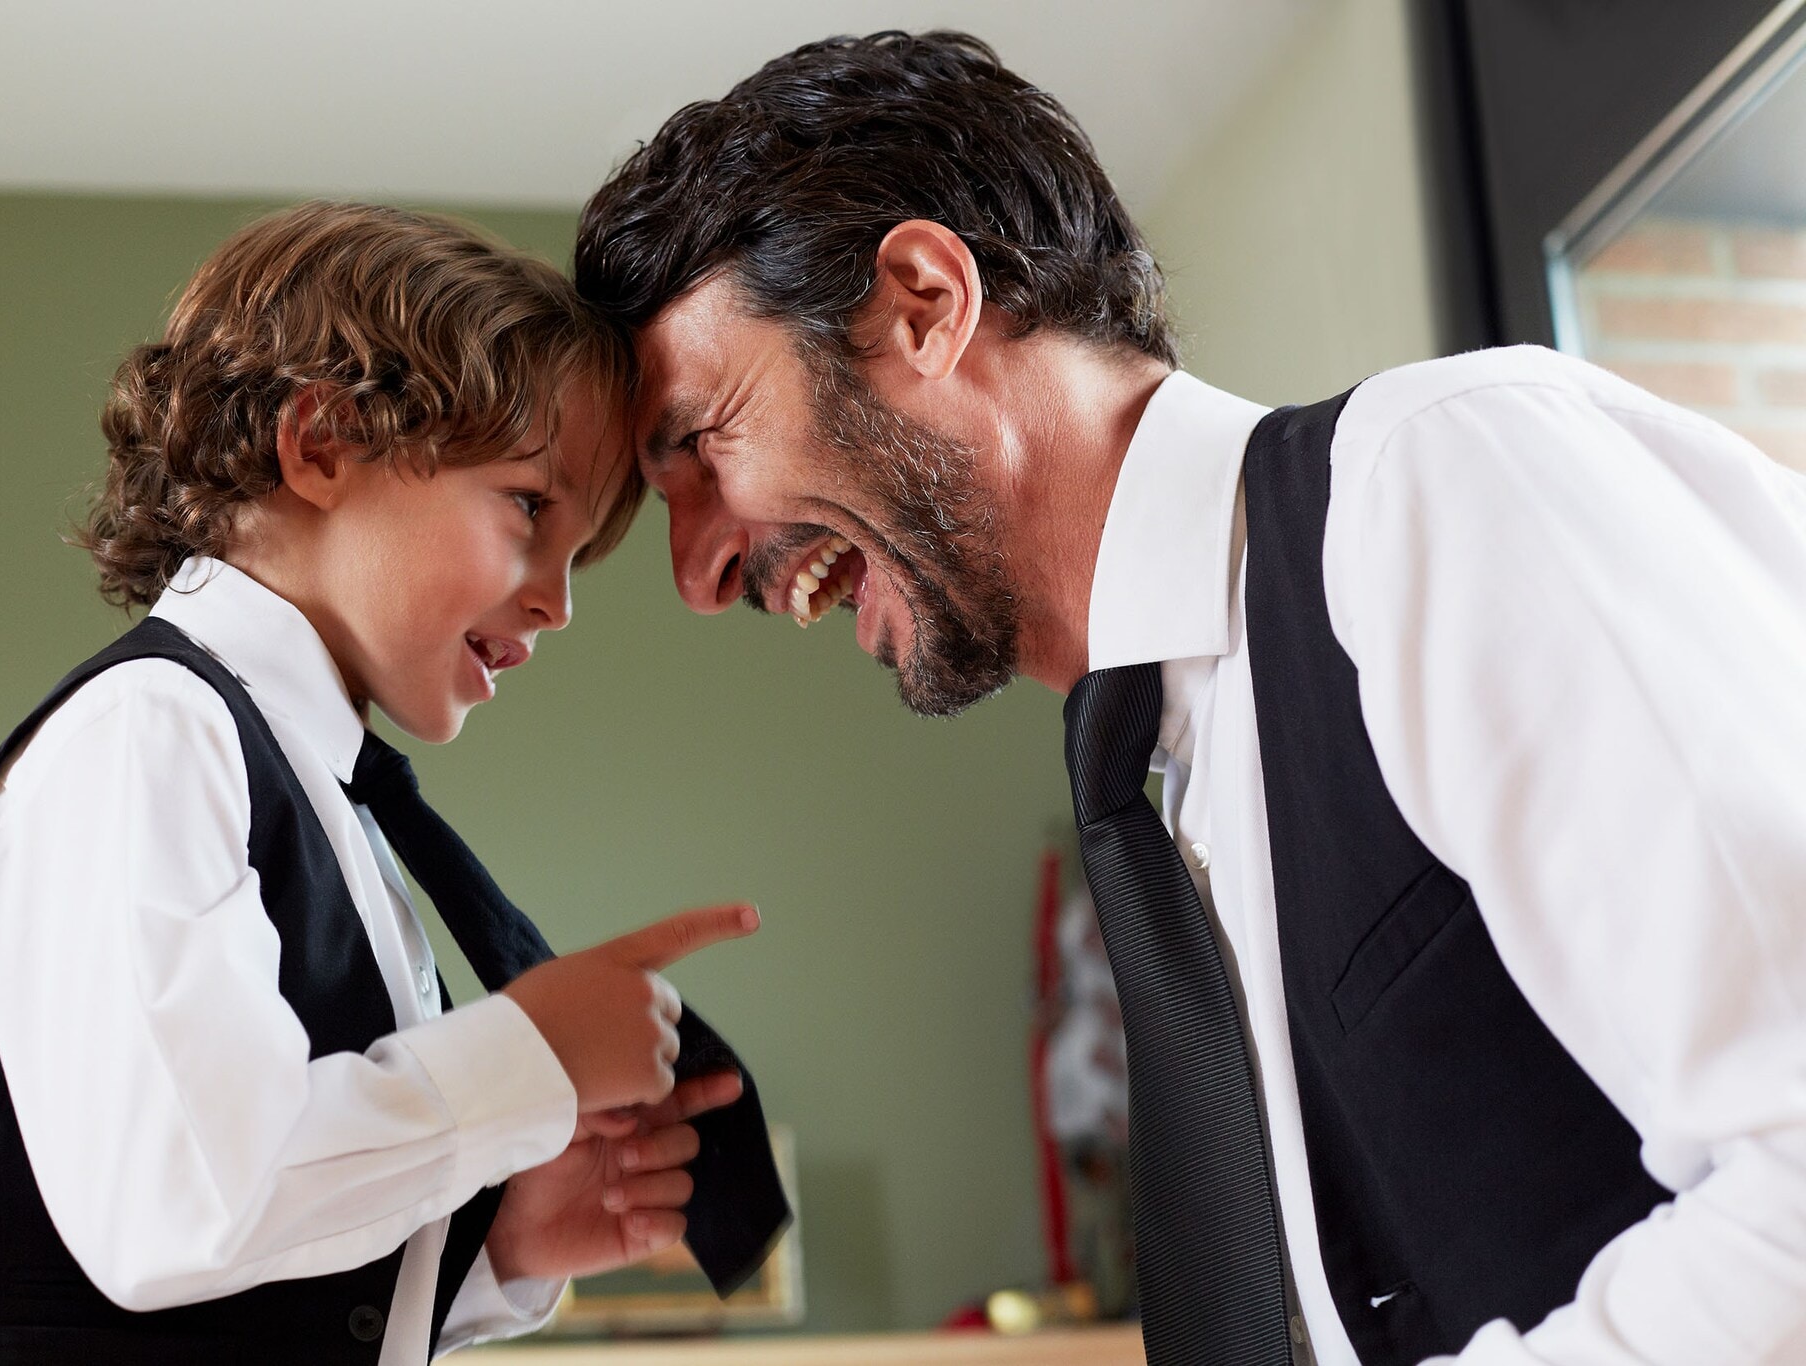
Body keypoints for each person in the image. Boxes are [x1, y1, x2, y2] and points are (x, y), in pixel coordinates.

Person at [572, 30, 1806, 1366]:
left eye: (699, 440)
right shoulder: (1167, 771)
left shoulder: (1435, 483)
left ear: (922, 303)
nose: (699, 576)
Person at [0, 201, 782, 1366]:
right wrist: (527, 1057)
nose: (555, 603)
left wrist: (489, 1248)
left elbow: (242, 1257)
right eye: (527, 507)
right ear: (319, 445)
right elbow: (179, 1197)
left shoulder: (316, 795)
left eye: (576, 559)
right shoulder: (150, 732)